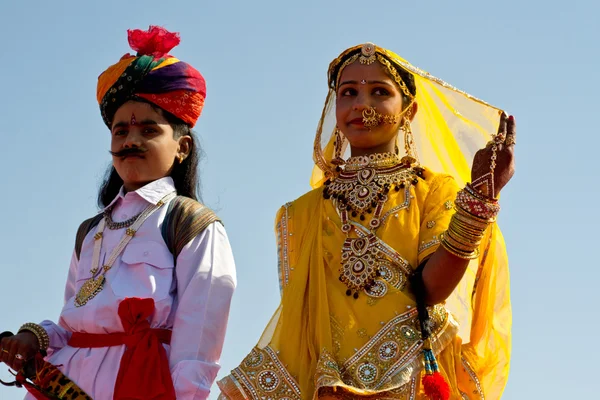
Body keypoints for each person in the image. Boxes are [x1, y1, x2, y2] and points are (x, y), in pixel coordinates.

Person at [218, 43, 513, 400]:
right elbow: (304, 321)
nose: (362, 104)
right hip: (325, 380)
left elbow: (432, 290)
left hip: (410, 375)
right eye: (349, 93)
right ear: (334, 108)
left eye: (379, 92)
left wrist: (479, 201)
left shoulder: (434, 191)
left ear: (409, 111)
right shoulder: (301, 212)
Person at [0, 26, 237, 400]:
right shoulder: (90, 231)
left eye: (148, 130)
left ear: (183, 147)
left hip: (141, 384)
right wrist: (36, 336)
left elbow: (199, 346)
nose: (130, 140)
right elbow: (72, 321)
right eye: (120, 130)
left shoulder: (192, 224)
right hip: (64, 386)